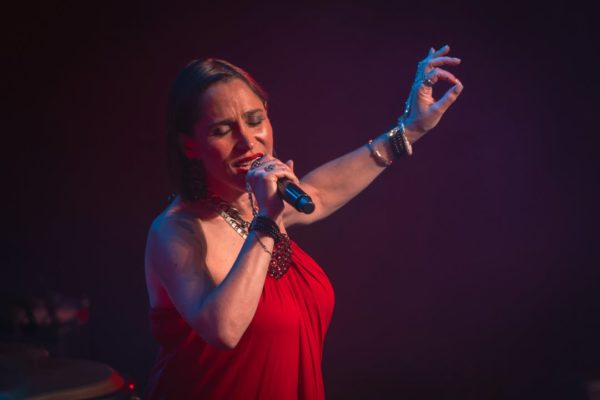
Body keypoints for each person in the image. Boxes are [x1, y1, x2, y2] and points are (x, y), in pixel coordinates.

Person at [144, 45, 463, 399]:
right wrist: (267, 219)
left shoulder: (260, 205)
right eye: (222, 130)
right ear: (189, 145)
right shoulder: (177, 231)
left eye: (255, 120)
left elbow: (320, 193)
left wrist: (409, 129)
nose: (247, 141)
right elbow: (224, 329)